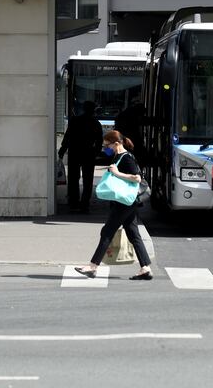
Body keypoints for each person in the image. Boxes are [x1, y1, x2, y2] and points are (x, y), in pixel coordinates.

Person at [75, 130, 153, 281]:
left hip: (124, 202)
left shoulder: (127, 157)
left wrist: (117, 173)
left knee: (107, 232)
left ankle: (92, 267)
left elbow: (137, 178)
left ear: (116, 143)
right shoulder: (118, 156)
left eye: (107, 145)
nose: (105, 148)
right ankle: (145, 268)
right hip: (126, 202)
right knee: (133, 234)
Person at [58, 100, 103, 213]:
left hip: (75, 152)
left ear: (83, 109)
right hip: (88, 153)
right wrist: (97, 153)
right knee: (88, 180)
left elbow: (67, 137)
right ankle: (85, 204)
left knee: (73, 178)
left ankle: (73, 202)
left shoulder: (75, 121)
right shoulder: (95, 123)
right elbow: (99, 141)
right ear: (93, 110)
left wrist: (62, 150)